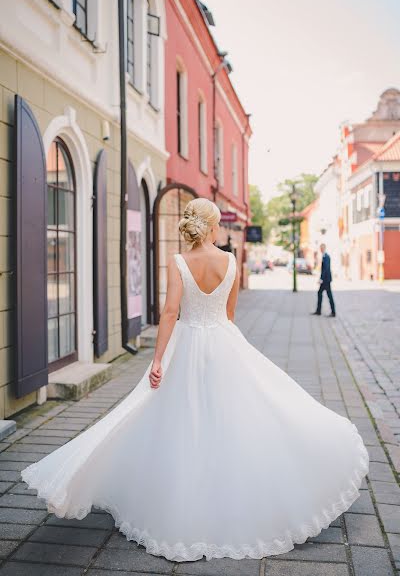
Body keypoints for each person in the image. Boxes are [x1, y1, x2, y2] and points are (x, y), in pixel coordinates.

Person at [21, 198, 368, 563]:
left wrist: (158, 360)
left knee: (181, 418)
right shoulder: (231, 262)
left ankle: (182, 494)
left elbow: (170, 312)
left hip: (185, 345)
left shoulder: (179, 262)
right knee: (240, 415)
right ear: (213, 226)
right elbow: (230, 314)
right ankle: (231, 493)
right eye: (217, 223)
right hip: (223, 343)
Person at [312, 243, 336, 317]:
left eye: (322, 248)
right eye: (320, 248)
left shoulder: (326, 257)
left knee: (328, 295)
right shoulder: (324, 256)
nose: (321, 249)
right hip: (325, 280)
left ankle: (333, 312)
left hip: (326, 280)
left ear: (324, 248)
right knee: (320, 293)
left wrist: (321, 279)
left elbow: (326, 269)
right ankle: (319, 311)